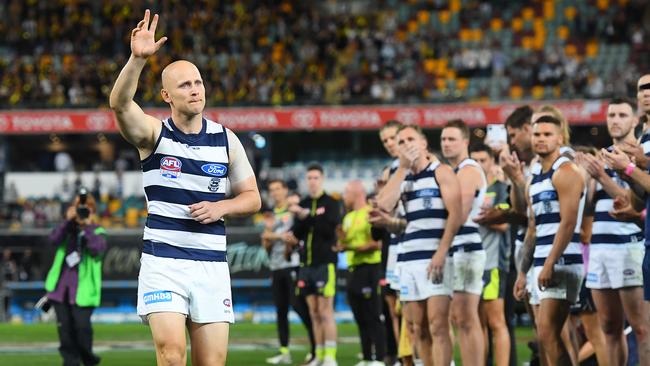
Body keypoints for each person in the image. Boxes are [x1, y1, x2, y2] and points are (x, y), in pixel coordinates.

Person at [109, 10, 261, 366]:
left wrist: (222, 207)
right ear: (166, 95)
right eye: (184, 85)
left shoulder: (227, 140)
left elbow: (253, 198)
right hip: (164, 262)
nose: (194, 90)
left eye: (198, 83)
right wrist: (136, 60)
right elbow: (119, 104)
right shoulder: (154, 135)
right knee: (172, 355)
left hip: (211, 264)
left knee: (211, 362)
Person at [377, 124, 463, 366]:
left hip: (434, 258)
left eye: (410, 139)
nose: (406, 145)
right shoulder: (400, 176)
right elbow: (383, 205)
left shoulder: (441, 171)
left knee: (438, 325)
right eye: (401, 142)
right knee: (417, 328)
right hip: (407, 260)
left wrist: (442, 252)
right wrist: (402, 168)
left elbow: (456, 215)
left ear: (424, 143)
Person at [576, 98, 649, 366]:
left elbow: (634, 204)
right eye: (611, 115)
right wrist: (585, 180)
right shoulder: (599, 157)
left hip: (628, 247)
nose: (615, 120)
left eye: (622, 114)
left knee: (641, 328)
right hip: (599, 248)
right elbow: (588, 209)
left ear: (634, 121)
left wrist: (603, 178)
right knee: (608, 328)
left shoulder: (639, 155)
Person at [514, 115, 586, 365]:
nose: (541, 139)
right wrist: (523, 272)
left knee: (547, 331)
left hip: (562, 261)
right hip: (543, 261)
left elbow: (568, 223)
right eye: (537, 134)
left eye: (547, 134)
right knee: (547, 335)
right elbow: (533, 229)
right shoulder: (534, 179)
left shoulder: (566, 171)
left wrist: (550, 263)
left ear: (559, 138)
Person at [441, 119, 488, 366]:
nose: (446, 144)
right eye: (443, 140)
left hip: (466, 248)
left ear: (465, 142)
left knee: (466, 318)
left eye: (452, 139)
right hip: (457, 248)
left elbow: (458, 213)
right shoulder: (456, 172)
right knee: (457, 317)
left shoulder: (468, 170)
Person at [284, 163, 341, 366]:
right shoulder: (305, 202)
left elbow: (329, 229)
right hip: (306, 264)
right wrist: (293, 228)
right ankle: (318, 354)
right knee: (314, 313)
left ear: (322, 179)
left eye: (316, 177)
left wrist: (307, 216)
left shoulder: (331, 202)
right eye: (309, 178)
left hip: (325, 264)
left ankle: (330, 356)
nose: (312, 181)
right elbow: (298, 232)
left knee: (326, 312)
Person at [44, 188, 106, 366]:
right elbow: (53, 240)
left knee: (82, 329)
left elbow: (97, 250)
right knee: (65, 333)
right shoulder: (67, 229)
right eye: (77, 207)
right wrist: (67, 221)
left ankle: (88, 360)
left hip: (84, 291)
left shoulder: (97, 231)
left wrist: (86, 227)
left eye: (84, 208)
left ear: (92, 211)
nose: (80, 210)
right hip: (60, 289)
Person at [261, 179, 315, 365]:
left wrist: (275, 236)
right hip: (276, 267)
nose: (274, 193)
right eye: (271, 190)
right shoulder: (269, 215)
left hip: (292, 265)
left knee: (300, 307)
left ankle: (316, 348)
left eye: (277, 189)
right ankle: (284, 351)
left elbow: (297, 237)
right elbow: (265, 243)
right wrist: (274, 235)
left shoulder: (293, 210)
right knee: (280, 310)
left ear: (285, 190)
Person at [470, 142, 512, 366]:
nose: (478, 165)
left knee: (496, 322)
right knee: (477, 322)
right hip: (470, 261)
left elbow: (505, 223)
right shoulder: (468, 188)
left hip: (492, 262)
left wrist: (484, 216)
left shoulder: (499, 188)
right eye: (474, 160)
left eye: (482, 160)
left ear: (491, 162)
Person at [339, 180, 386, 366]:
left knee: (373, 314)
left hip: (370, 268)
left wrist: (354, 247)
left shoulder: (371, 213)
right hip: (353, 270)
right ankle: (367, 357)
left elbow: (378, 243)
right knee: (359, 316)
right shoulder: (348, 218)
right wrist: (341, 245)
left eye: (346, 192)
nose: (344, 196)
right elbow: (345, 243)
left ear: (357, 193)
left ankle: (380, 358)